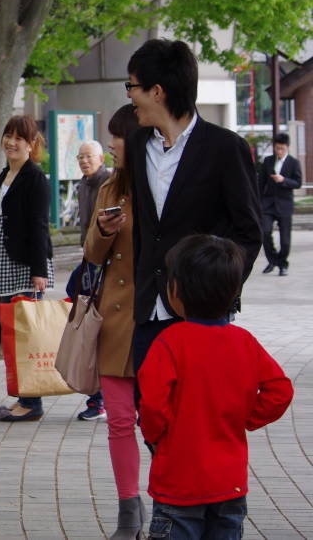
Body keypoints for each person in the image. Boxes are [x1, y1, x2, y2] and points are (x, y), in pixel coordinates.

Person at [139, 235, 293, 539]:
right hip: (229, 481)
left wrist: (157, 436)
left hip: (179, 479)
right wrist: (246, 418)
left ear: (175, 290)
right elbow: (280, 391)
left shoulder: (169, 342)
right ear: (234, 290)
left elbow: (153, 404)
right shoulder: (244, 341)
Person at [125, 39, 261, 373]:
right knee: (150, 410)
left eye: (132, 86)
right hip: (147, 309)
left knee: (199, 413)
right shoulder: (137, 143)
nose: (128, 95)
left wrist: (217, 289)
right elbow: (148, 231)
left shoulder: (226, 148)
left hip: (202, 314)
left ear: (157, 91)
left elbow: (249, 232)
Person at [84, 105, 145, 538]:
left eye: (117, 136)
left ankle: (167, 507)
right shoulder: (110, 187)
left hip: (160, 322)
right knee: (120, 420)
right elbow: (90, 252)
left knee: (160, 420)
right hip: (115, 320)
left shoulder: (166, 186)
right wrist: (105, 230)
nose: (110, 145)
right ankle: (128, 509)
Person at [0, 115, 55, 422]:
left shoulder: (35, 179)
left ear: (32, 145)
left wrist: (39, 271)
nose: (11, 142)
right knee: (12, 335)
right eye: (8, 135)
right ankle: (23, 397)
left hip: (27, 265)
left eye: (19, 138)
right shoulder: (5, 175)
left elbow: (40, 226)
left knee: (27, 335)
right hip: (4, 262)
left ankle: (32, 403)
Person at [73, 139, 111, 421]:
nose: (84, 161)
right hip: (90, 261)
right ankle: (97, 397)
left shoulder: (110, 183)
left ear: (101, 158)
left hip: (107, 264)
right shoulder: (82, 185)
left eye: (89, 157)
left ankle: (101, 399)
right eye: (80, 157)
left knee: (99, 327)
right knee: (88, 323)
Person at [258, 132, 303, 276]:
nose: (279, 151)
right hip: (268, 205)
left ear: (287, 147)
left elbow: (298, 183)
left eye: (282, 148)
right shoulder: (268, 161)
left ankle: (282, 263)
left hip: (285, 205)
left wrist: (283, 180)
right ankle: (273, 260)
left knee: (285, 241)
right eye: (277, 148)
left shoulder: (293, 163)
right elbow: (260, 184)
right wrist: (258, 202)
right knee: (264, 232)